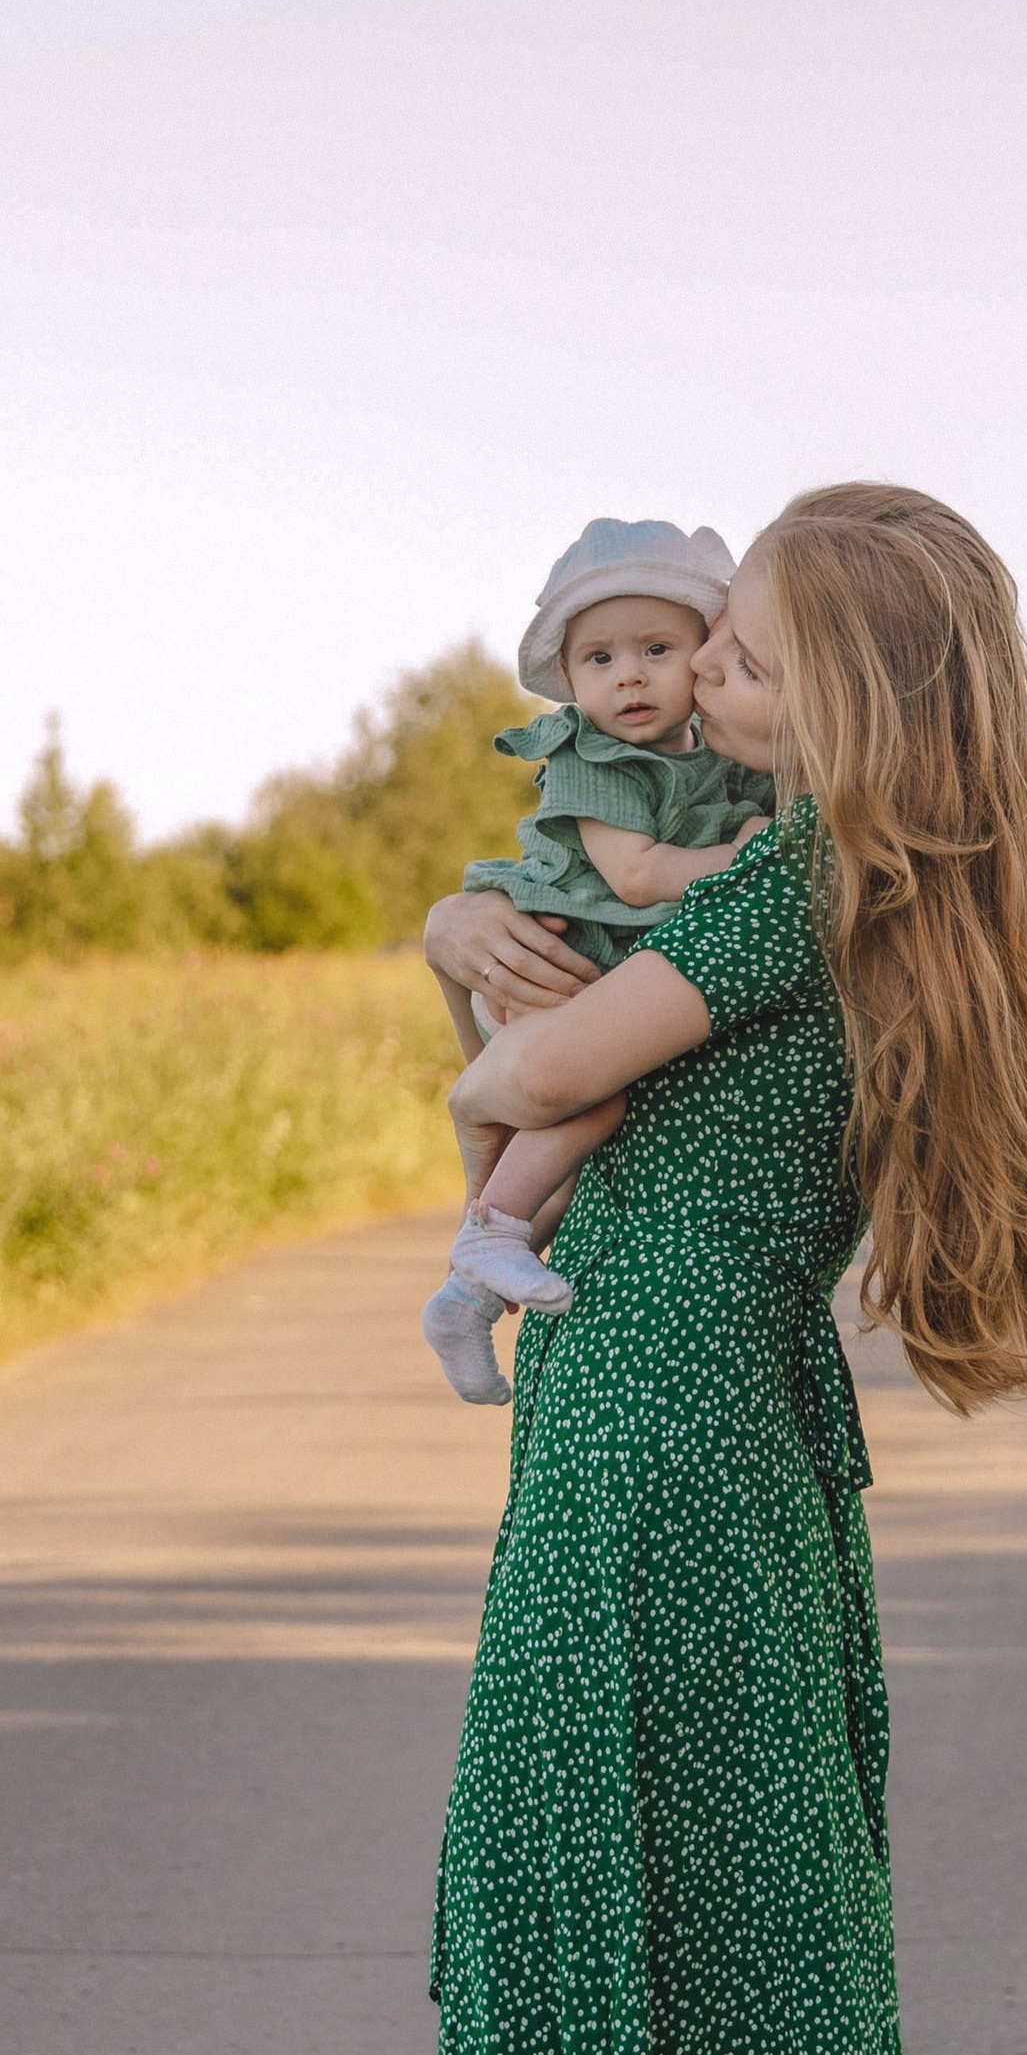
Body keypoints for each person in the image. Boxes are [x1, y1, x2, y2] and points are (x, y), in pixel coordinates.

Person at [420, 483, 1027, 2055]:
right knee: (812, 2032)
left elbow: (519, 1070)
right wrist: (479, 933)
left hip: (646, 1466)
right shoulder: (906, 894)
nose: (703, 686)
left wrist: (468, 964)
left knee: (543, 1994)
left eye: (757, 667)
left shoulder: (790, 881)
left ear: (863, 708)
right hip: (759, 1457)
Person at [419, 517, 774, 1407]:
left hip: (596, 983)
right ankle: (489, 1241)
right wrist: (752, 856)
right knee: (596, 1100)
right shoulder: (596, 757)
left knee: (579, 1163)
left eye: (657, 649)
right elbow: (638, 871)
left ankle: (467, 1296)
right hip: (557, 960)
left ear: (702, 656)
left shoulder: (722, 766)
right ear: (570, 681)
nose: (631, 676)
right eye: (601, 660)